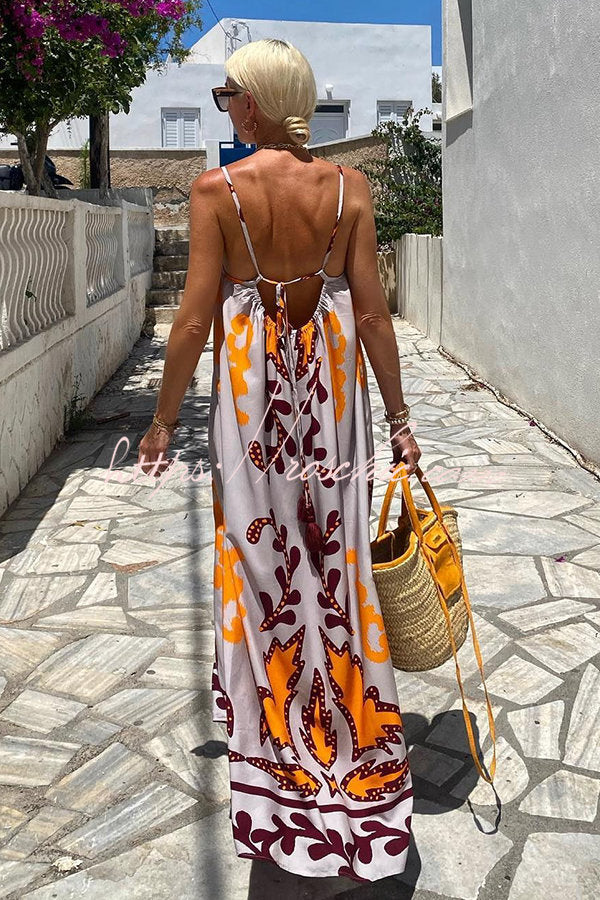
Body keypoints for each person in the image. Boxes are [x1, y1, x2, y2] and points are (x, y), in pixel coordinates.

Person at [138, 38, 421, 884]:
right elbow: (372, 317)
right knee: (337, 569)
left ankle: (281, 769)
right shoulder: (350, 189)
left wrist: (161, 421)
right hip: (333, 407)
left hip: (251, 411)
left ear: (253, 102)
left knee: (263, 572)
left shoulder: (217, 192)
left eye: (228, 95)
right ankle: (354, 756)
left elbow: (194, 322)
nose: (226, 107)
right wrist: (400, 418)